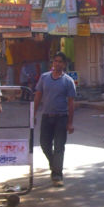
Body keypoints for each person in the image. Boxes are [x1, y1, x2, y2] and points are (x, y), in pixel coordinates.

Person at [34, 52, 76, 187]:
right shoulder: (44, 78)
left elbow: (71, 103)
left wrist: (70, 123)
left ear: (64, 64)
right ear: (52, 63)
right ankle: (54, 165)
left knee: (59, 146)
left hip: (61, 118)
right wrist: (33, 114)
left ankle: (57, 174)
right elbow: (38, 96)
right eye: (55, 61)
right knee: (44, 144)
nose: (57, 64)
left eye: (60, 62)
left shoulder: (68, 81)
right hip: (46, 117)